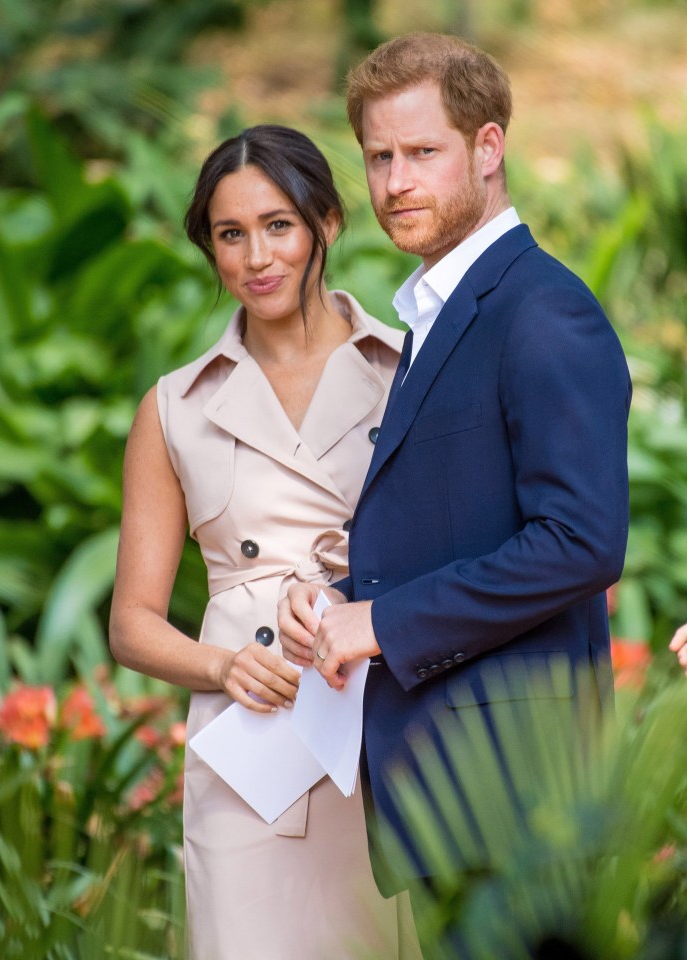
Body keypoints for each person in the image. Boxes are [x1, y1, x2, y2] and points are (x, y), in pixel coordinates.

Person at [277, 30, 632, 932]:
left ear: (488, 148)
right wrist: (338, 599)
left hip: (518, 795)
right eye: (379, 156)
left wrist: (381, 624)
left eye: (423, 152)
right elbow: (459, 524)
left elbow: (581, 542)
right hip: (455, 789)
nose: (396, 182)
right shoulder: (440, 314)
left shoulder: (543, 311)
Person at [109, 125, 420, 960]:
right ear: (209, 247)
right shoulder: (174, 407)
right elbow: (132, 622)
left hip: (371, 723)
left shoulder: (407, 371)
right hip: (247, 751)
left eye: (278, 224)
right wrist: (221, 667)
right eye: (230, 233)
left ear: (326, 221)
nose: (256, 256)